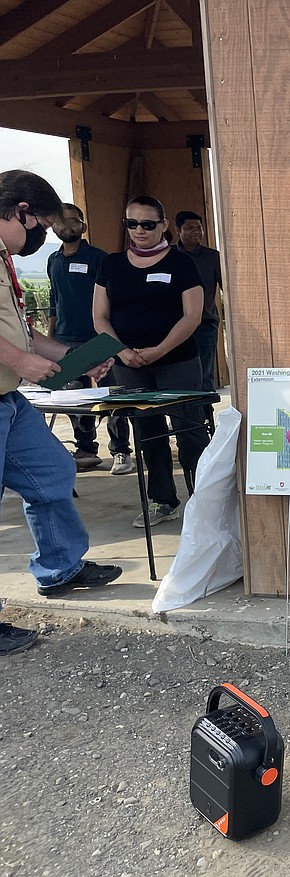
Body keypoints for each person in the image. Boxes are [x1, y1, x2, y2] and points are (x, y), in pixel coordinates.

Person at [0, 169, 122, 655]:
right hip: (6, 387)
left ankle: (60, 569)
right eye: (40, 228)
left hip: (9, 402)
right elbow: (16, 350)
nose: (40, 239)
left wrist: (77, 356)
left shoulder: (4, 260)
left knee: (52, 470)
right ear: (20, 211)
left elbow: (24, 335)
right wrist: (21, 362)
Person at [93, 196, 209, 529]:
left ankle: (205, 501)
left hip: (178, 361)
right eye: (132, 223)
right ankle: (162, 500)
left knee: (190, 431)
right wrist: (120, 350)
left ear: (163, 226)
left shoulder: (182, 263)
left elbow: (192, 315)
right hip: (128, 363)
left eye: (147, 224)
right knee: (147, 431)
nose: (139, 231)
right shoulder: (111, 264)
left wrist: (160, 349)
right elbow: (100, 316)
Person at [47, 203, 134, 475]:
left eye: (73, 221)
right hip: (65, 339)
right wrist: (50, 335)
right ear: (53, 226)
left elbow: (114, 297)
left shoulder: (98, 258)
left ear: (83, 227)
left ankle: (121, 450)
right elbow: (54, 299)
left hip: (98, 338)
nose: (67, 226)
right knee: (74, 398)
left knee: (112, 395)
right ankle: (86, 448)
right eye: (61, 221)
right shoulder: (53, 260)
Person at [172, 210, 223, 399]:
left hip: (205, 323)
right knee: (177, 373)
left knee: (205, 373)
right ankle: (183, 415)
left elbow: (226, 286)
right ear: (178, 230)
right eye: (190, 228)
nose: (196, 231)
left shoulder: (212, 257)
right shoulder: (169, 255)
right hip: (173, 326)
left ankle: (206, 416)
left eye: (199, 228)